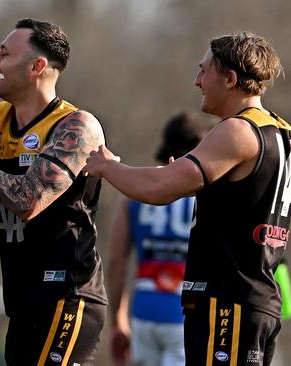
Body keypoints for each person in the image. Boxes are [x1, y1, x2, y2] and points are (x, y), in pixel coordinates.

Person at [84, 32, 288, 366]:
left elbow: (158, 189)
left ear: (231, 79)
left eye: (204, 71)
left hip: (228, 303)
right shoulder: (281, 131)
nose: (197, 81)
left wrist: (106, 166)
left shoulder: (237, 130)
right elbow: (249, 197)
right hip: (258, 301)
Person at [0, 18, 108, 366]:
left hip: (69, 296)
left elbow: (27, 201)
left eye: (4, 54)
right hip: (20, 300)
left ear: (37, 66)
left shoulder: (76, 126)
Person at [108, 112, 211, 366]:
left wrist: (117, 320)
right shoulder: (205, 194)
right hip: (186, 311)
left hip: (144, 309)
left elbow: (117, 261)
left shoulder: (136, 191)